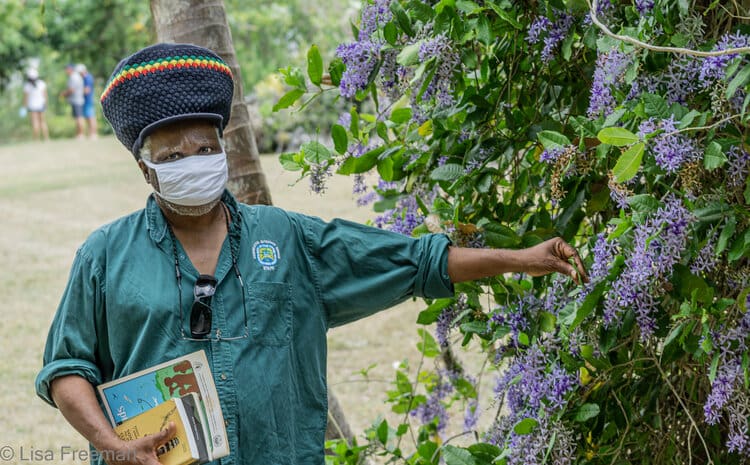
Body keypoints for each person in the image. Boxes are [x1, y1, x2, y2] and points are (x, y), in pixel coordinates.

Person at [35, 43, 589, 465]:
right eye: (172, 155)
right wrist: (111, 445)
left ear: (223, 148)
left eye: (205, 148)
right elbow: (66, 368)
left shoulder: (288, 237)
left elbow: (412, 261)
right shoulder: (104, 256)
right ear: (144, 168)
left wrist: (523, 258)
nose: (193, 160)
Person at [22, 68, 49, 141]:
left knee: (35, 122)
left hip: (32, 105)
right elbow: (45, 95)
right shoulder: (42, 83)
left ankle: (36, 139)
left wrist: (24, 107)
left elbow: (25, 98)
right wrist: (46, 104)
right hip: (41, 105)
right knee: (43, 122)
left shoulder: (27, 86)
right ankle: (46, 138)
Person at [60, 63, 85, 139]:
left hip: (77, 100)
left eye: (67, 69)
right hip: (78, 99)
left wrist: (63, 94)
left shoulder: (73, 77)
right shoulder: (76, 76)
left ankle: (80, 134)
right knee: (78, 117)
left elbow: (71, 90)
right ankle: (79, 134)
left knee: (79, 118)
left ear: (70, 69)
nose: (66, 71)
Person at [76, 63, 98, 139]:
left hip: (88, 100)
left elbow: (87, 90)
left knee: (91, 117)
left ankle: (94, 134)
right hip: (87, 100)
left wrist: (78, 92)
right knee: (88, 118)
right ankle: (91, 134)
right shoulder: (87, 77)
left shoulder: (87, 78)